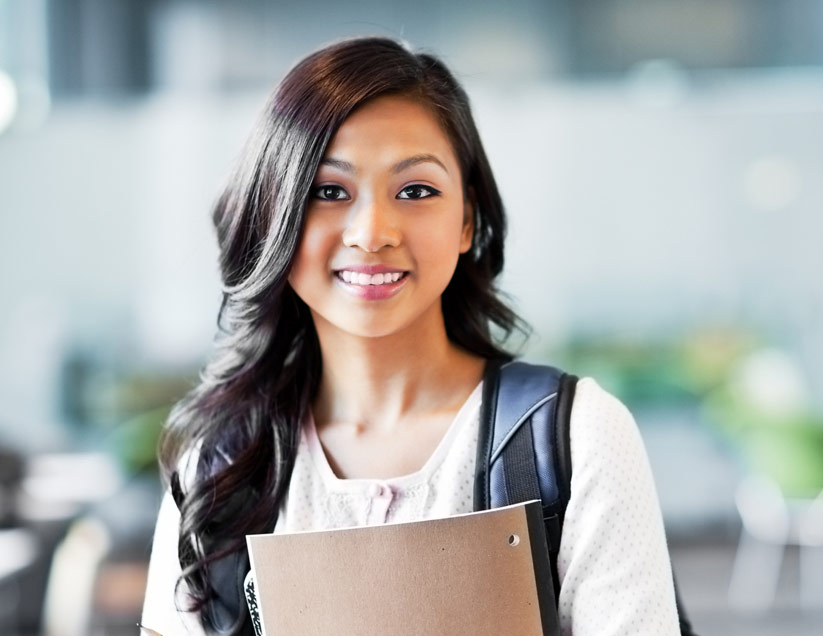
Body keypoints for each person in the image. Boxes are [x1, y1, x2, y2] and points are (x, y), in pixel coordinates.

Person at [141, 36, 680, 635]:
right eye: (328, 192)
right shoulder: (222, 468)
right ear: (276, 215)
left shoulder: (578, 438)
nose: (372, 232)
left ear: (468, 219)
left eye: (416, 191)